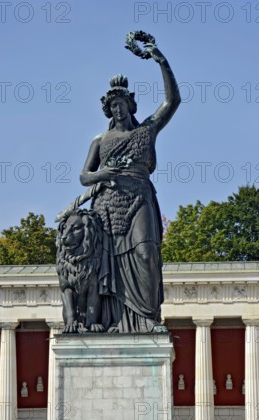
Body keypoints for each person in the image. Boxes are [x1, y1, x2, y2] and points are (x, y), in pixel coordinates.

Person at [79, 36, 181, 334]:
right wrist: (103, 173)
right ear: (108, 110)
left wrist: (160, 59)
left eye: (121, 104)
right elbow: (85, 176)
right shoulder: (100, 140)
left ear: (130, 105)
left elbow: (173, 101)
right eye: (112, 106)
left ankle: (148, 319)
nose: (118, 110)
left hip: (139, 197)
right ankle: (116, 322)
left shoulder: (147, 130)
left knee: (146, 253)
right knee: (108, 265)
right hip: (107, 204)